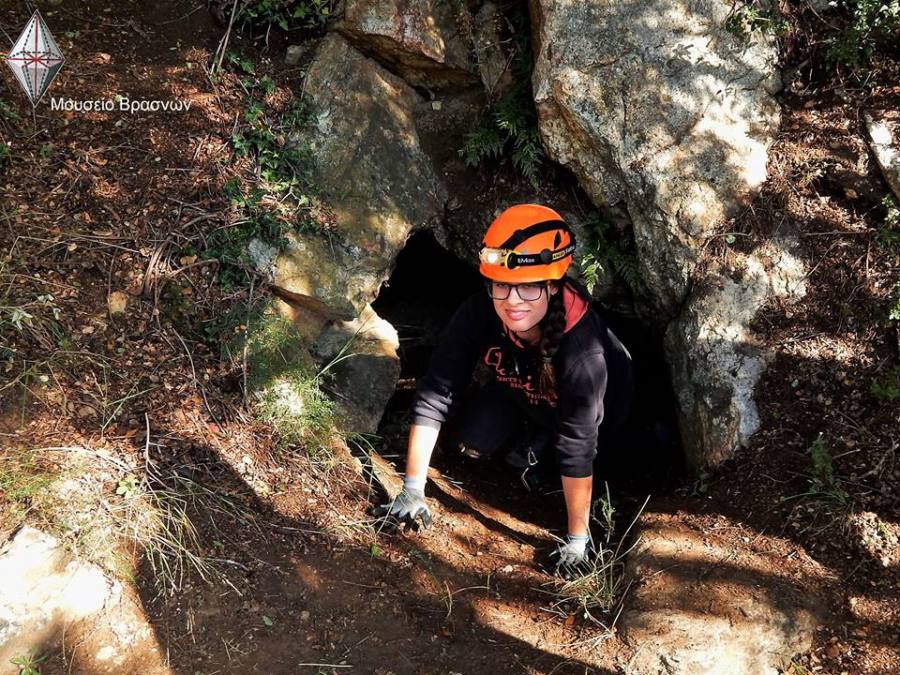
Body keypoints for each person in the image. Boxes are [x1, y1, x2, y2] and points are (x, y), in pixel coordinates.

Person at [374, 203, 634, 574]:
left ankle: (540, 448)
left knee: (565, 465)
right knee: (473, 439)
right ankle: (532, 438)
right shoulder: (479, 311)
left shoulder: (583, 354)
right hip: (523, 392)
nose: (513, 301)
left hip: (601, 422)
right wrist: (413, 489)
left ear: (552, 286)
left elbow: (579, 444)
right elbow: (437, 392)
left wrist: (578, 541)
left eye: (528, 287)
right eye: (502, 285)